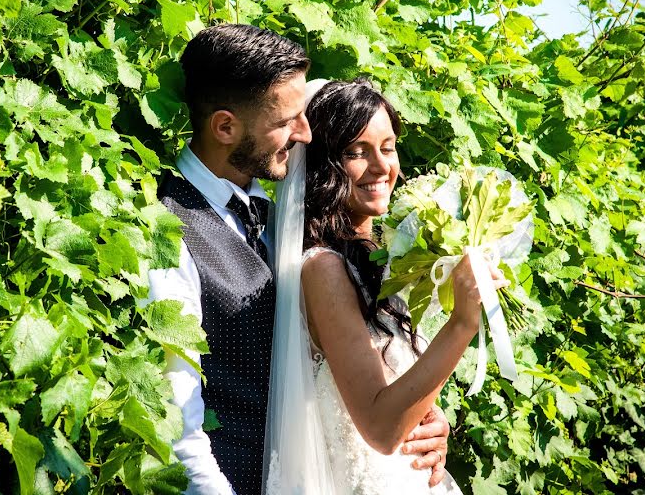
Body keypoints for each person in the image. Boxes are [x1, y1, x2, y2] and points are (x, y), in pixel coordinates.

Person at [148, 26, 451, 495]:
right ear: (225, 127)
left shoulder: (283, 226)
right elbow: (176, 424)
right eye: (288, 120)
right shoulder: (168, 229)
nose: (305, 133)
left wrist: (426, 421)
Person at [266, 78, 508, 494]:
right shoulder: (323, 268)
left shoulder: (379, 260)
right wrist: (462, 323)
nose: (381, 167)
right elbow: (379, 427)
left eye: (388, 147)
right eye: (355, 152)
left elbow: (393, 390)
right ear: (324, 164)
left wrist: (431, 421)